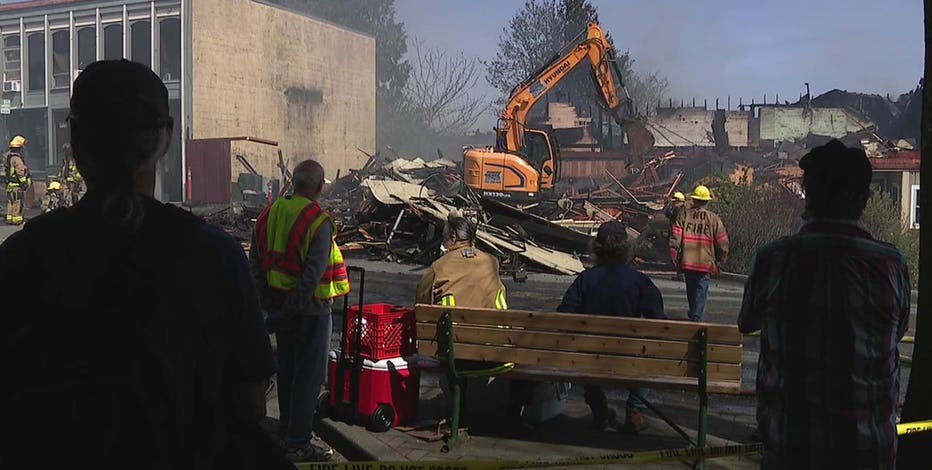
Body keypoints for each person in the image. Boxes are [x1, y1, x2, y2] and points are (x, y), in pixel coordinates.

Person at [0, 60, 279, 469]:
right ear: (164, 141)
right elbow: (252, 403)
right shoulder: (214, 257)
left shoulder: (22, 257)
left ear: (75, 142)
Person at [737, 139, 911, 469]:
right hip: (868, 451)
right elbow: (898, 331)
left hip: (791, 448)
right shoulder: (892, 264)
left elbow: (746, 322)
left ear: (809, 195)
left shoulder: (775, 260)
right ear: (863, 198)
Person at [250, 159, 349, 462]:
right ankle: (298, 442)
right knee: (308, 378)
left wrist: (270, 305)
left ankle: (286, 433)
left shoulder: (269, 214)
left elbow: (255, 262)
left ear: (293, 183)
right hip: (311, 312)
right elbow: (312, 277)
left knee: (288, 371)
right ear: (319, 187)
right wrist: (292, 309)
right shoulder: (318, 222)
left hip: (280, 310)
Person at [557, 221, 666, 433]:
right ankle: (635, 411)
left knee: (583, 352)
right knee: (651, 353)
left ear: (596, 248)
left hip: (589, 358)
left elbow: (564, 315)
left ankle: (599, 411)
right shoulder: (640, 282)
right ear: (626, 248)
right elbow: (660, 323)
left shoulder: (585, 279)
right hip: (629, 357)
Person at [416, 213, 507, 309]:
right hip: (492, 323)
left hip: (451, 323)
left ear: (453, 237)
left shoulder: (439, 266)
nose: (443, 243)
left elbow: (422, 302)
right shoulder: (491, 263)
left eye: (444, 238)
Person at [668, 185, 729, 321]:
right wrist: (722, 258)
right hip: (705, 262)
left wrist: (673, 253)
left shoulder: (684, 215)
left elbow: (675, 235)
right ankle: (696, 315)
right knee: (702, 288)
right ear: (707, 201)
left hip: (688, 260)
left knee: (691, 287)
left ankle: (693, 311)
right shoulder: (714, 219)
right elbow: (722, 242)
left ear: (694, 200)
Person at [4, 135, 30, 225]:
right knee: (17, 202)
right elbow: (20, 172)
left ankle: (9, 218)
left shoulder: (8, 157)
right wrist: (24, 182)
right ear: (19, 148)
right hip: (16, 185)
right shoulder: (17, 159)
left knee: (10, 202)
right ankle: (17, 220)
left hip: (9, 185)